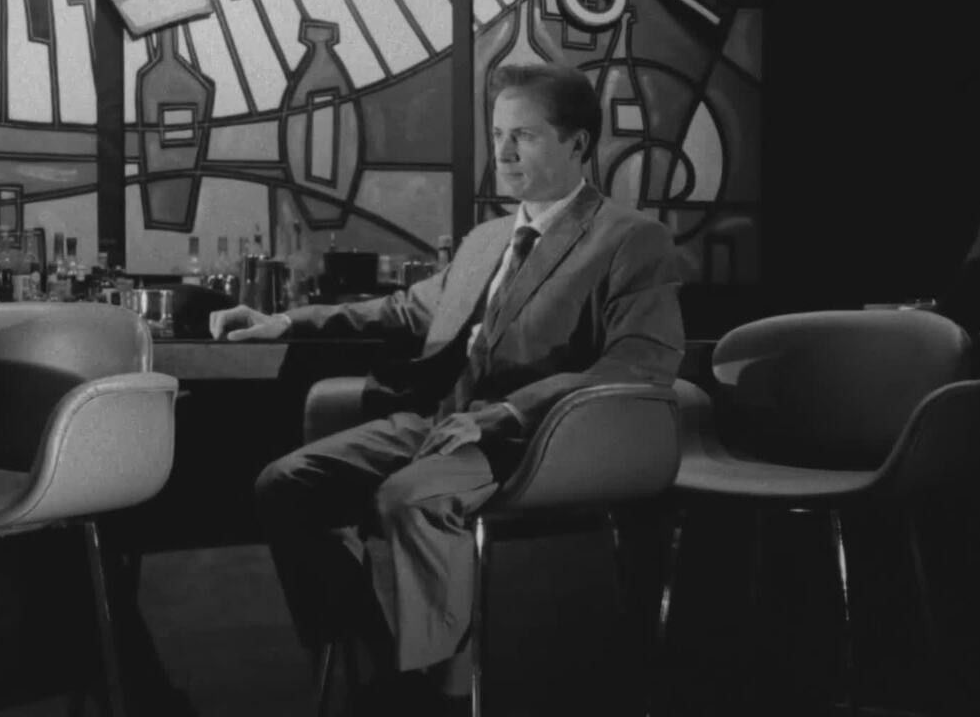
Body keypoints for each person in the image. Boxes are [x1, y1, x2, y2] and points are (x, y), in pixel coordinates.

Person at [210, 62, 685, 715]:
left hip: (534, 443)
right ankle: (375, 665)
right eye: (498, 134)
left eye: (525, 136)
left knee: (410, 497)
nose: (503, 153)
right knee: (285, 484)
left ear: (578, 143)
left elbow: (639, 363)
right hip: (440, 423)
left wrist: (507, 413)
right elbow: (404, 309)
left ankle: (441, 696)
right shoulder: (488, 240)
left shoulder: (631, 240)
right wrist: (284, 322)